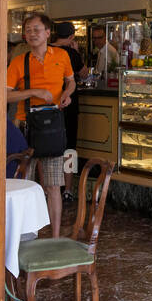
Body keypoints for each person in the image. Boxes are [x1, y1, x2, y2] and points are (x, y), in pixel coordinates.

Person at [6, 12, 74, 235]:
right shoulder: (18, 62)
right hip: (25, 129)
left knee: (54, 186)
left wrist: (67, 93)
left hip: (52, 128)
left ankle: (55, 237)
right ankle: (23, 235)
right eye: (28, 30)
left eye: (36, 29)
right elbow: (4, 96)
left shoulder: (62, 56)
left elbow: (71, 81)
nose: (32, 34)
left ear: (47, 32)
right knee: (22, 183)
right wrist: (32, 91)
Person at [52, 22, 89, 201]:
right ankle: (67, 189)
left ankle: (49, 188)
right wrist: (77, 53)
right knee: (69, 147)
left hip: (48, 105)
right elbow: (84, 74)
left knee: (48, 147)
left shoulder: (45, 50)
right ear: (72, 36)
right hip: (68, 104)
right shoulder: (71, 53)